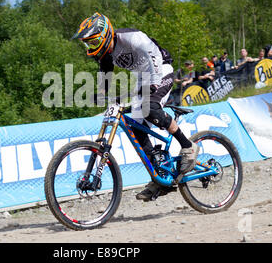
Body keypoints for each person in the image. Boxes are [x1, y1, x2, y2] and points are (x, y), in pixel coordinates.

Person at [72, 12, 199, 201]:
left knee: (150, 108)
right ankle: (159, 179)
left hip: (161, 69)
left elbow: (153, 55)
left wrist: (154, 82)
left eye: (92, 42)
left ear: (103, 36)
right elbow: (105, 77)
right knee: (135, 128)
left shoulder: (132, 38)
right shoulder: (105, 54)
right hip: (142, 77)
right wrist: (99, 95)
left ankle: (188, 146)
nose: (91, 47)